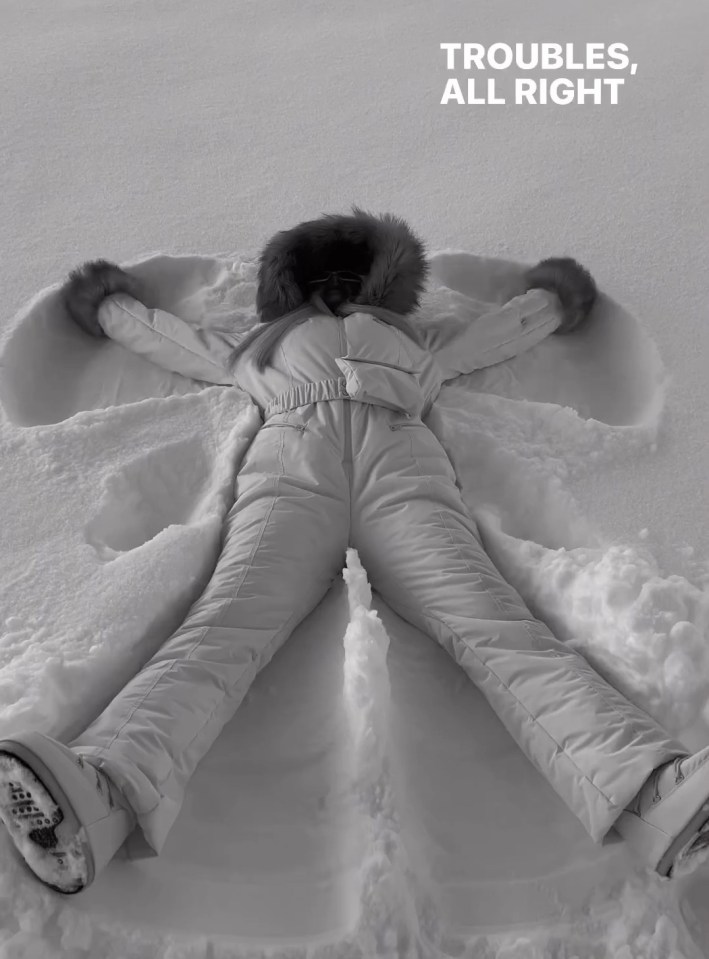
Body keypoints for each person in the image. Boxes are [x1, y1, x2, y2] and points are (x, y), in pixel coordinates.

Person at [1, 209, 708, 896]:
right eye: (325, 276)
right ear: (298, 283)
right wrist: (111, 307)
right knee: (223, 627)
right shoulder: (264, 348)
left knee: (492, 625)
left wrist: (551, 302)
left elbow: (493, 336)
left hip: (403, 475)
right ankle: (101, 793)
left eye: (353, 275)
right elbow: (181, 344)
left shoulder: (413, 344)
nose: (337, 289)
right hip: (291, 476)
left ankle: (651, 790)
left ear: (378, 282)